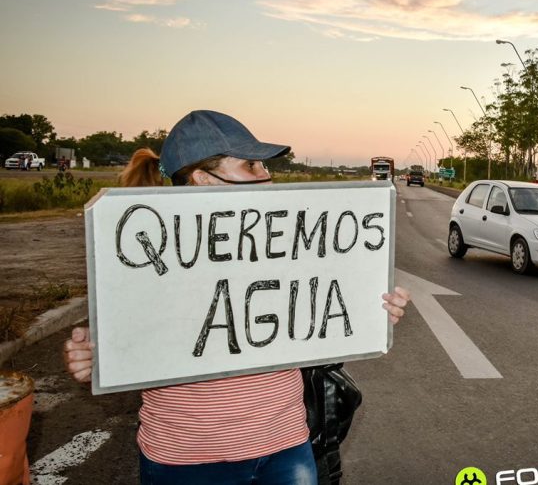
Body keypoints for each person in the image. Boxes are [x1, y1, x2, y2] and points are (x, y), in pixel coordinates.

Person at [62, 110, 411, 485]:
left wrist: (371, 311)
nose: (266, 176)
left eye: (263, 165)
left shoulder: (286, 240)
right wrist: (93, 360)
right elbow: (123, 344)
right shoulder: (148, 257)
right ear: (201, 179)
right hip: (185, 461)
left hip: (286, 447)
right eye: (250, 165)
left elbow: (318, 311)